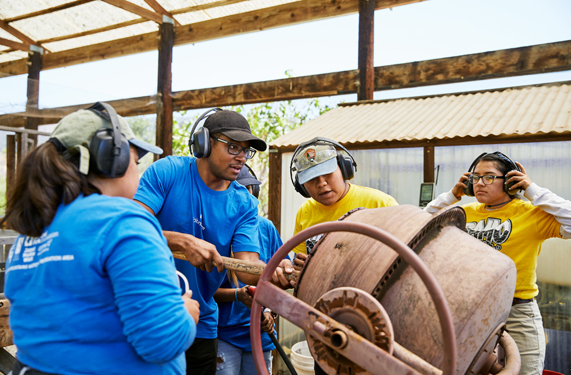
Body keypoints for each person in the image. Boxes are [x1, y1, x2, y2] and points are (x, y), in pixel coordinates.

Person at [2, 103, 199, 375]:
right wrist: (186, 314)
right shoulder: (123, 222)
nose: (139, 172)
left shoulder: (32, 231)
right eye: (136, 160)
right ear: (112, 157)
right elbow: (162, 342)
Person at [134, 109, 292, 375]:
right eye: (232, 147)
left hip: (201, 321)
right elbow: (129, 229)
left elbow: (246, 266)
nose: (241, 156)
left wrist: (271, 272)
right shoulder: (168, 172)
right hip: (147, 307)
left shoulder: (244, 204)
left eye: (246, 151)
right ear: (204, 143)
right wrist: (180, 241)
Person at [424, 151, 571, 375]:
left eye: (489, 177)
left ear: (511, 182)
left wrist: (533, 190)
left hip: (518, 311)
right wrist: (451, 196)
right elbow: (420, 223)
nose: (480, 183)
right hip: (472, 311)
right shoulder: (463, 212)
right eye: (475, 177)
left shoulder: (531, 215)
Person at [289, 137, 398, 375]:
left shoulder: (379, 203)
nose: (322, 184)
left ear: (344, 169)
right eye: (311, 180)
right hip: (327, 321)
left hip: (375, 319)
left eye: (328, 174)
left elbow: (403, 261)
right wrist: (302, 268)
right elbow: (297, 266)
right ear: (301, 186)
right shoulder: (305, 213)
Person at [215, 165, 287, 375]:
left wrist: (269, 312)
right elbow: (203, 290)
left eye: (248, 191)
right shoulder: (215, 230)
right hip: (225, 335)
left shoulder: (266, 228)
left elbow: (280, 279)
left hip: (260, 334)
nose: (243, 200)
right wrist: (237, 295)